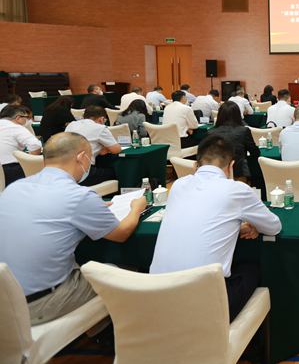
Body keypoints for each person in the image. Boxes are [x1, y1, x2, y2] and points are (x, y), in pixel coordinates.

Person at [0, 132, 146, 325]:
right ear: (81, 157)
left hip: (6, 298)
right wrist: (136, 208)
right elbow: (121, 233)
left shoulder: (14, 187)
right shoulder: (78, 195)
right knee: (119, 273)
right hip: (40, 303)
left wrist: (91, 209)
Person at [149, 135, 282, 321]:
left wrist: (235, 226)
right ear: (231, 166)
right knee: (252, 267)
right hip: (204, 306)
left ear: (196, 164)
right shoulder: (237, 189)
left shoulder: (178, 185)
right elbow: (274, 226)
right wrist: (255, 226)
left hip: (156, 297)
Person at [64, 106, 120, 185]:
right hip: (84, 173)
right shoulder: (100, 128)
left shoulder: (71, 125)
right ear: (102, 119)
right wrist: (102, 149)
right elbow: (116, 149)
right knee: (115, 173)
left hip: (65, 171)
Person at [212, 102, 259, 181]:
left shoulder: (211, 133)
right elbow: (255, 152)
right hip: (238, 173)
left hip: (216, 174)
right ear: (238, 115)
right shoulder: (244, 131)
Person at [0, 105, 42, 185]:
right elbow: (35, 145)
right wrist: (29, 160)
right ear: (18, 118)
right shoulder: (14, 127)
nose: (28, 121)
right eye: (27, 118)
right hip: (10, 168)